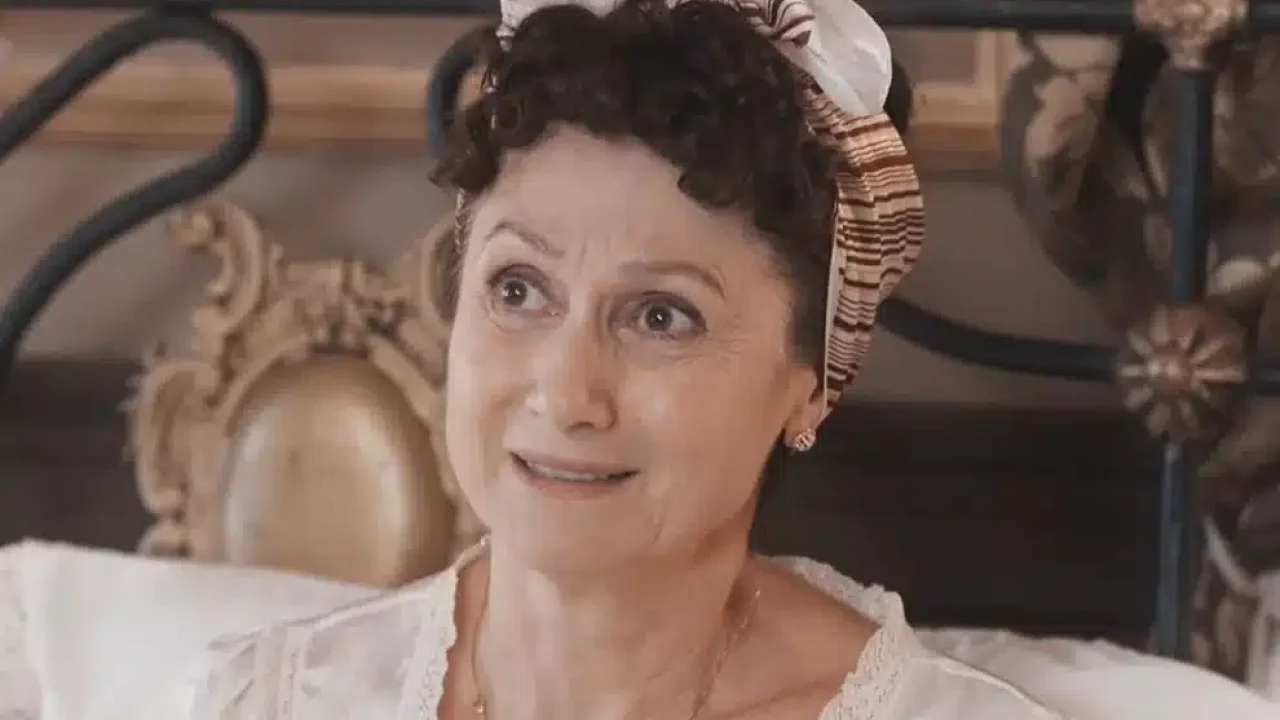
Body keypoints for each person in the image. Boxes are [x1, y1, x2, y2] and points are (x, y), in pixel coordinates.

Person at [189, 0, 1062, 717]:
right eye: (518, 289)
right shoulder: (275, 700)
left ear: (810, 385)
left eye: (660, 316)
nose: (566, 394)